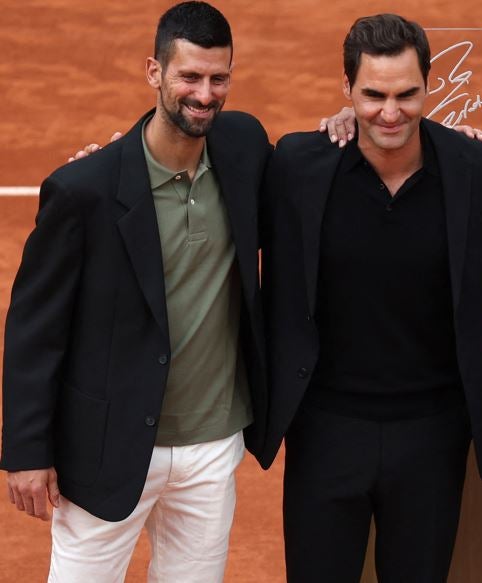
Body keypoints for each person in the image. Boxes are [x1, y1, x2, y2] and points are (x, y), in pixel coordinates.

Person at [0, 2, 271, 581]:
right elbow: (34, 326)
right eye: (189, 77)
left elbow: (314, 174)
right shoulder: (85, 191)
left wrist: (349, 122)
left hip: (211, 444)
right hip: (107, 444)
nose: (204, 94)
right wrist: (26, 452)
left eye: (218, 78)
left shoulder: (246, 147)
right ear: (155, 72)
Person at [260, 13, 482, 582]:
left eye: (407, 94)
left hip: (432, 433)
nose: (390, 112)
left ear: (428, 85)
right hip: (325, 430)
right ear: (346, 88)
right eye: (372, 95)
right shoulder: (298, 165)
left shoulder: (477, 167)